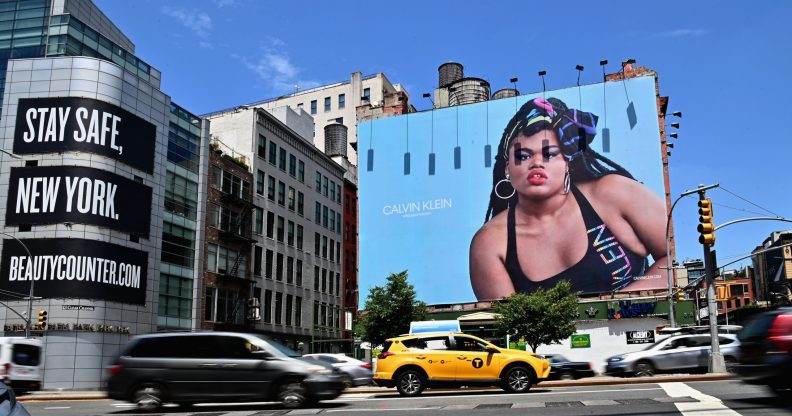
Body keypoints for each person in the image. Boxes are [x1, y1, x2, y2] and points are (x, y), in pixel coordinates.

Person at [469, 97, 667, 301]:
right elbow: (509, 324)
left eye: (550, 154)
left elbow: (671, 258)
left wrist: (616, 305)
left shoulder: (614, 193)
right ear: (507, 169)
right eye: (523, 156)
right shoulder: (490, 243)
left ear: (567, 163)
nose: (537, 163)